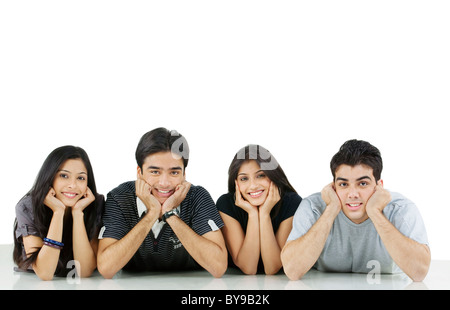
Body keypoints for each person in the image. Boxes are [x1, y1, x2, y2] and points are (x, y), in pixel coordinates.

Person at [281, 139, 431, 282]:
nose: (352, 194)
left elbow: (419, 273)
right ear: (333, 186)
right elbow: (292, 271)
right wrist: (332, 209)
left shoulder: (401, 209)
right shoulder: (314, 207)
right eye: (343, 184)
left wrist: (375, 212)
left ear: (379, 186)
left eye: (363, 183)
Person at [97, 127, 227, 279]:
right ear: (139, 173)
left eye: (174, 172)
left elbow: (219, 267)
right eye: (155, 172)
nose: (164, 183)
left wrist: (170, 214)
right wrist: (152, 213)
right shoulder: (120, 198)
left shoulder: (197, 197)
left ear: (184, 174)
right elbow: (106, 268)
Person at [13, 145, 104, 280]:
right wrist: (58, 212)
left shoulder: (94, 203)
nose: (72, 185)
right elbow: (45, 273)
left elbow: (84, 271)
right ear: (50, 177)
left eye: (80, 178)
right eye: (64, 175)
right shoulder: (28, 207)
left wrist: (78, 213)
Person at [216, 145, 301, 275]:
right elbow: (248, 268)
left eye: (260, 176)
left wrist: (265, 214)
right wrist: (252, 214)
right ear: (236, 183)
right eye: (244, 178)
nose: (253, 186)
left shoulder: (292, 202)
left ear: (273, 176)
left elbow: (272, 267)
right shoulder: (226, 204)